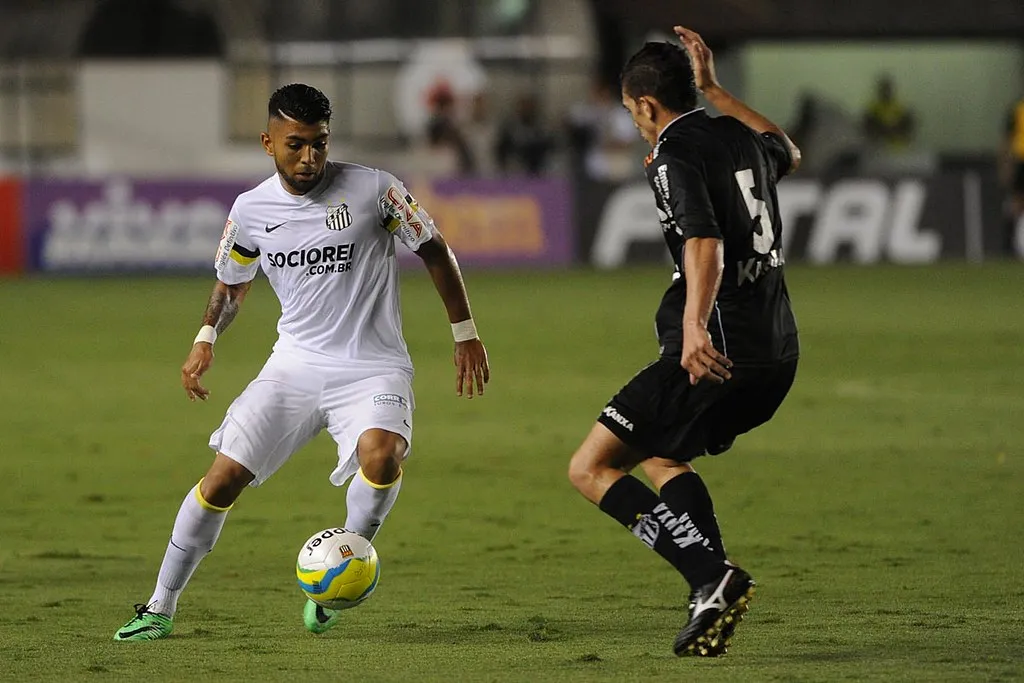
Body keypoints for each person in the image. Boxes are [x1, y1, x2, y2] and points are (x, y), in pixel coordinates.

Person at [113, 83, 490, 641]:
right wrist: (205, 337)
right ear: (268, 142)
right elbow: (232, 283)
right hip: (294, 366)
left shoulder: (376, 191)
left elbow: (433, 247)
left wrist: (465, 332)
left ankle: (340, 569)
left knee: (382, 455)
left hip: (373, 365)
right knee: (221, 480)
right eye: (296, 145)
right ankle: (159, 606)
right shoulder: (250, 210)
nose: (310, 157)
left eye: (319, 143)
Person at [567, 27, 801, 658]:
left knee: (590, 467)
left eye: (630, 112)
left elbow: (704, 242)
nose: (633, 124)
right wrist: (718, 92)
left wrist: (694, 324)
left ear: (645, 105)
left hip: (716, 351)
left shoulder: (671, 155)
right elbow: (788, 149)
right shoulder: (737, 135)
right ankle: (712, 582)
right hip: (776, 353)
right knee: (662, 455)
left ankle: (709, 576)